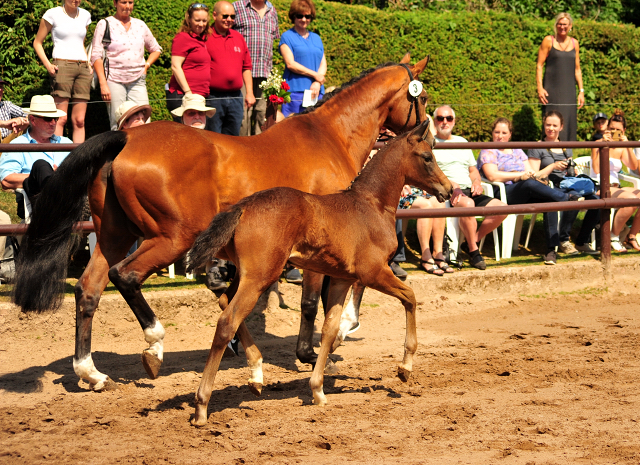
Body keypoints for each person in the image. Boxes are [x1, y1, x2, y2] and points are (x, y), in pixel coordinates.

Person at [479, 116, 599, 264]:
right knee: (529, 184)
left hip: (524, 188)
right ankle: (566, 198)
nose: (500, 136)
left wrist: (538, 176)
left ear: (510, 134)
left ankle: (551, 250)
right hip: (504, 191)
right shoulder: (489, 150)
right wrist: (519, 176)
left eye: (504, 133)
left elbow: (531, 172)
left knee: (549, 200)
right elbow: (492, 175)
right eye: (497, 132)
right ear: (492, 133)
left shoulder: (517, 151)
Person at [432, 105, 508, 270]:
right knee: (467, 205)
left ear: (454, 121)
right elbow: (432, 173)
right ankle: (474, 252)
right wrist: (453, 185)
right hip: (448, 190)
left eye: (449, 118)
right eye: (440, 118)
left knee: (502, 209)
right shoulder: (430, 143)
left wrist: (477, 183)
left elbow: (472, 169)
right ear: (434, 121)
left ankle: (470, 241)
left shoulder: (462, 142)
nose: (445, 122)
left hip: (469, 189)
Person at [91, 0, 162, 131]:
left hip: (138, 80)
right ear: (115, 3)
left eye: (131, 2)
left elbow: (156, 49)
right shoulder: (105, 24)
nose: (128, 6)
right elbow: (96, 55)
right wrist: (103, 83)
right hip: (113, 80)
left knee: (144, 123)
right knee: (118, 124)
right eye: (124, 2)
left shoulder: (140, 25)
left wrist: (146, 65)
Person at [0, 96, 71, 215]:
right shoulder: (18, 145)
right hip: (36, 203)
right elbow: (6, 179)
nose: (53, 123)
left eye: (55, 118)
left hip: (69, 197)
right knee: (41, 166)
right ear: (32, 120)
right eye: (48, 119)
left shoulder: (66, 143)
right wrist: (44, 176)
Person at [33, 0, 92, 143]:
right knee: (61, 118)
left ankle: (80, 161)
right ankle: (57, 159)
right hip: (62, 65)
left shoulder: (85, 15)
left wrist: (88, 64)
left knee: (80, 120)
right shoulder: (53, 14)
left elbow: (80, 43)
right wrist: (48, 65)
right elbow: (37, 42)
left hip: (83, 67)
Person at [590, 109, 640, 252]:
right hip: (600, 185)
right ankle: (613, 236)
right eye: (611, 129)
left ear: (623, 131)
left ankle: (631, 236)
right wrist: (604, 146)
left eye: (618, 130)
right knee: (630, 199)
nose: (614, 132)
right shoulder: (598, 144)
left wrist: (627, 145)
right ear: (607, 128)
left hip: (616, 187)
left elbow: (634, 166)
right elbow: (597, 168)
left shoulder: (622, 147)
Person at [205, 1, 255, 135]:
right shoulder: (205, 37)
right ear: (215, 15)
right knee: (213, 137)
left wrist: (249, 92)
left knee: (233, 139)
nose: (229, 20)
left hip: (236, 97)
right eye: (225, 16)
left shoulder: (238, 37)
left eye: (232, 17)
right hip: (213, 96)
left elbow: (246, 67)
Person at [233, 0, 280, 135]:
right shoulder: (237, 7)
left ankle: (260, 149)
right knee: (243, 115)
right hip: (241, 71)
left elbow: (272, 39)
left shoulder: (272, 11)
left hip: (265, 71)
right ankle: (242, 148)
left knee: (263, 114)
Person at [536, 12, 584, 142]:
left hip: (569, 91)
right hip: (552, 90)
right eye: (560, 24)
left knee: (568, 121)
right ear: (556, 25)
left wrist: (581, 91)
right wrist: (540, 88)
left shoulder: (575, 43)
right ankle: (548, 152)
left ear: (570, 26)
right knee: (551, 120)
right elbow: (539, 65)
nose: (562, 27)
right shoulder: (548, 41)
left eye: (565, 25)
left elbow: (577, 69)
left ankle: (568, 153)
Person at [279, 0, 326, 117]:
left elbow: (323, 63)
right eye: (300, 16)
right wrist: (315, 75)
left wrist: (317, 83)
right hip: (295, 94)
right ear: (293, 16)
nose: (304, 19)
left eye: (307, 16)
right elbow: (290, 64)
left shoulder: (317, 38)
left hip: (316, 92)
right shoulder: (287, 36)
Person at [166, 3, 212, 123]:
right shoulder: (183, 38)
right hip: (184, 96)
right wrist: (188, 92)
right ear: (189, 19)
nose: (201, 24)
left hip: (198, 97)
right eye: (197, 20)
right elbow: (176, 66)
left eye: (204, 20)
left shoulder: (202, 39)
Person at [398, 186, 451, 275]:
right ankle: (426, 256)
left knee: (439, 202)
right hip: (401, 190)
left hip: (419, 190)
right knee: (425, 206)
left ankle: (438, 253)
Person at [0, 77, 29, 143]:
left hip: (7, 143)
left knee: (24, 126)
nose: (0, 90)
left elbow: (27, 113)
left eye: (1, 87)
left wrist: (23, 121)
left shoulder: (6, 105)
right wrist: (5, 123)